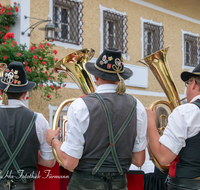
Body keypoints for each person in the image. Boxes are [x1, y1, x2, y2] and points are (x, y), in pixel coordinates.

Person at [46, 48, 147, 190]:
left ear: (95, 76)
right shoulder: (138, 107)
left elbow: (70, 163)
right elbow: (139, 160)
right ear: (120, 78)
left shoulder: (80, 105)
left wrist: (54, 140)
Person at [0, 61, 55, 190]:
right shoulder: (39, 119)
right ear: (25, 94)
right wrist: (32, 156)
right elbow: (50, 162)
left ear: (1, 92)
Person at [146, 63, 200, 190]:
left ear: (193, 84)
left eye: (187, 84)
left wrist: (150, 123)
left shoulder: (186, 112)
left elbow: (163, 157)